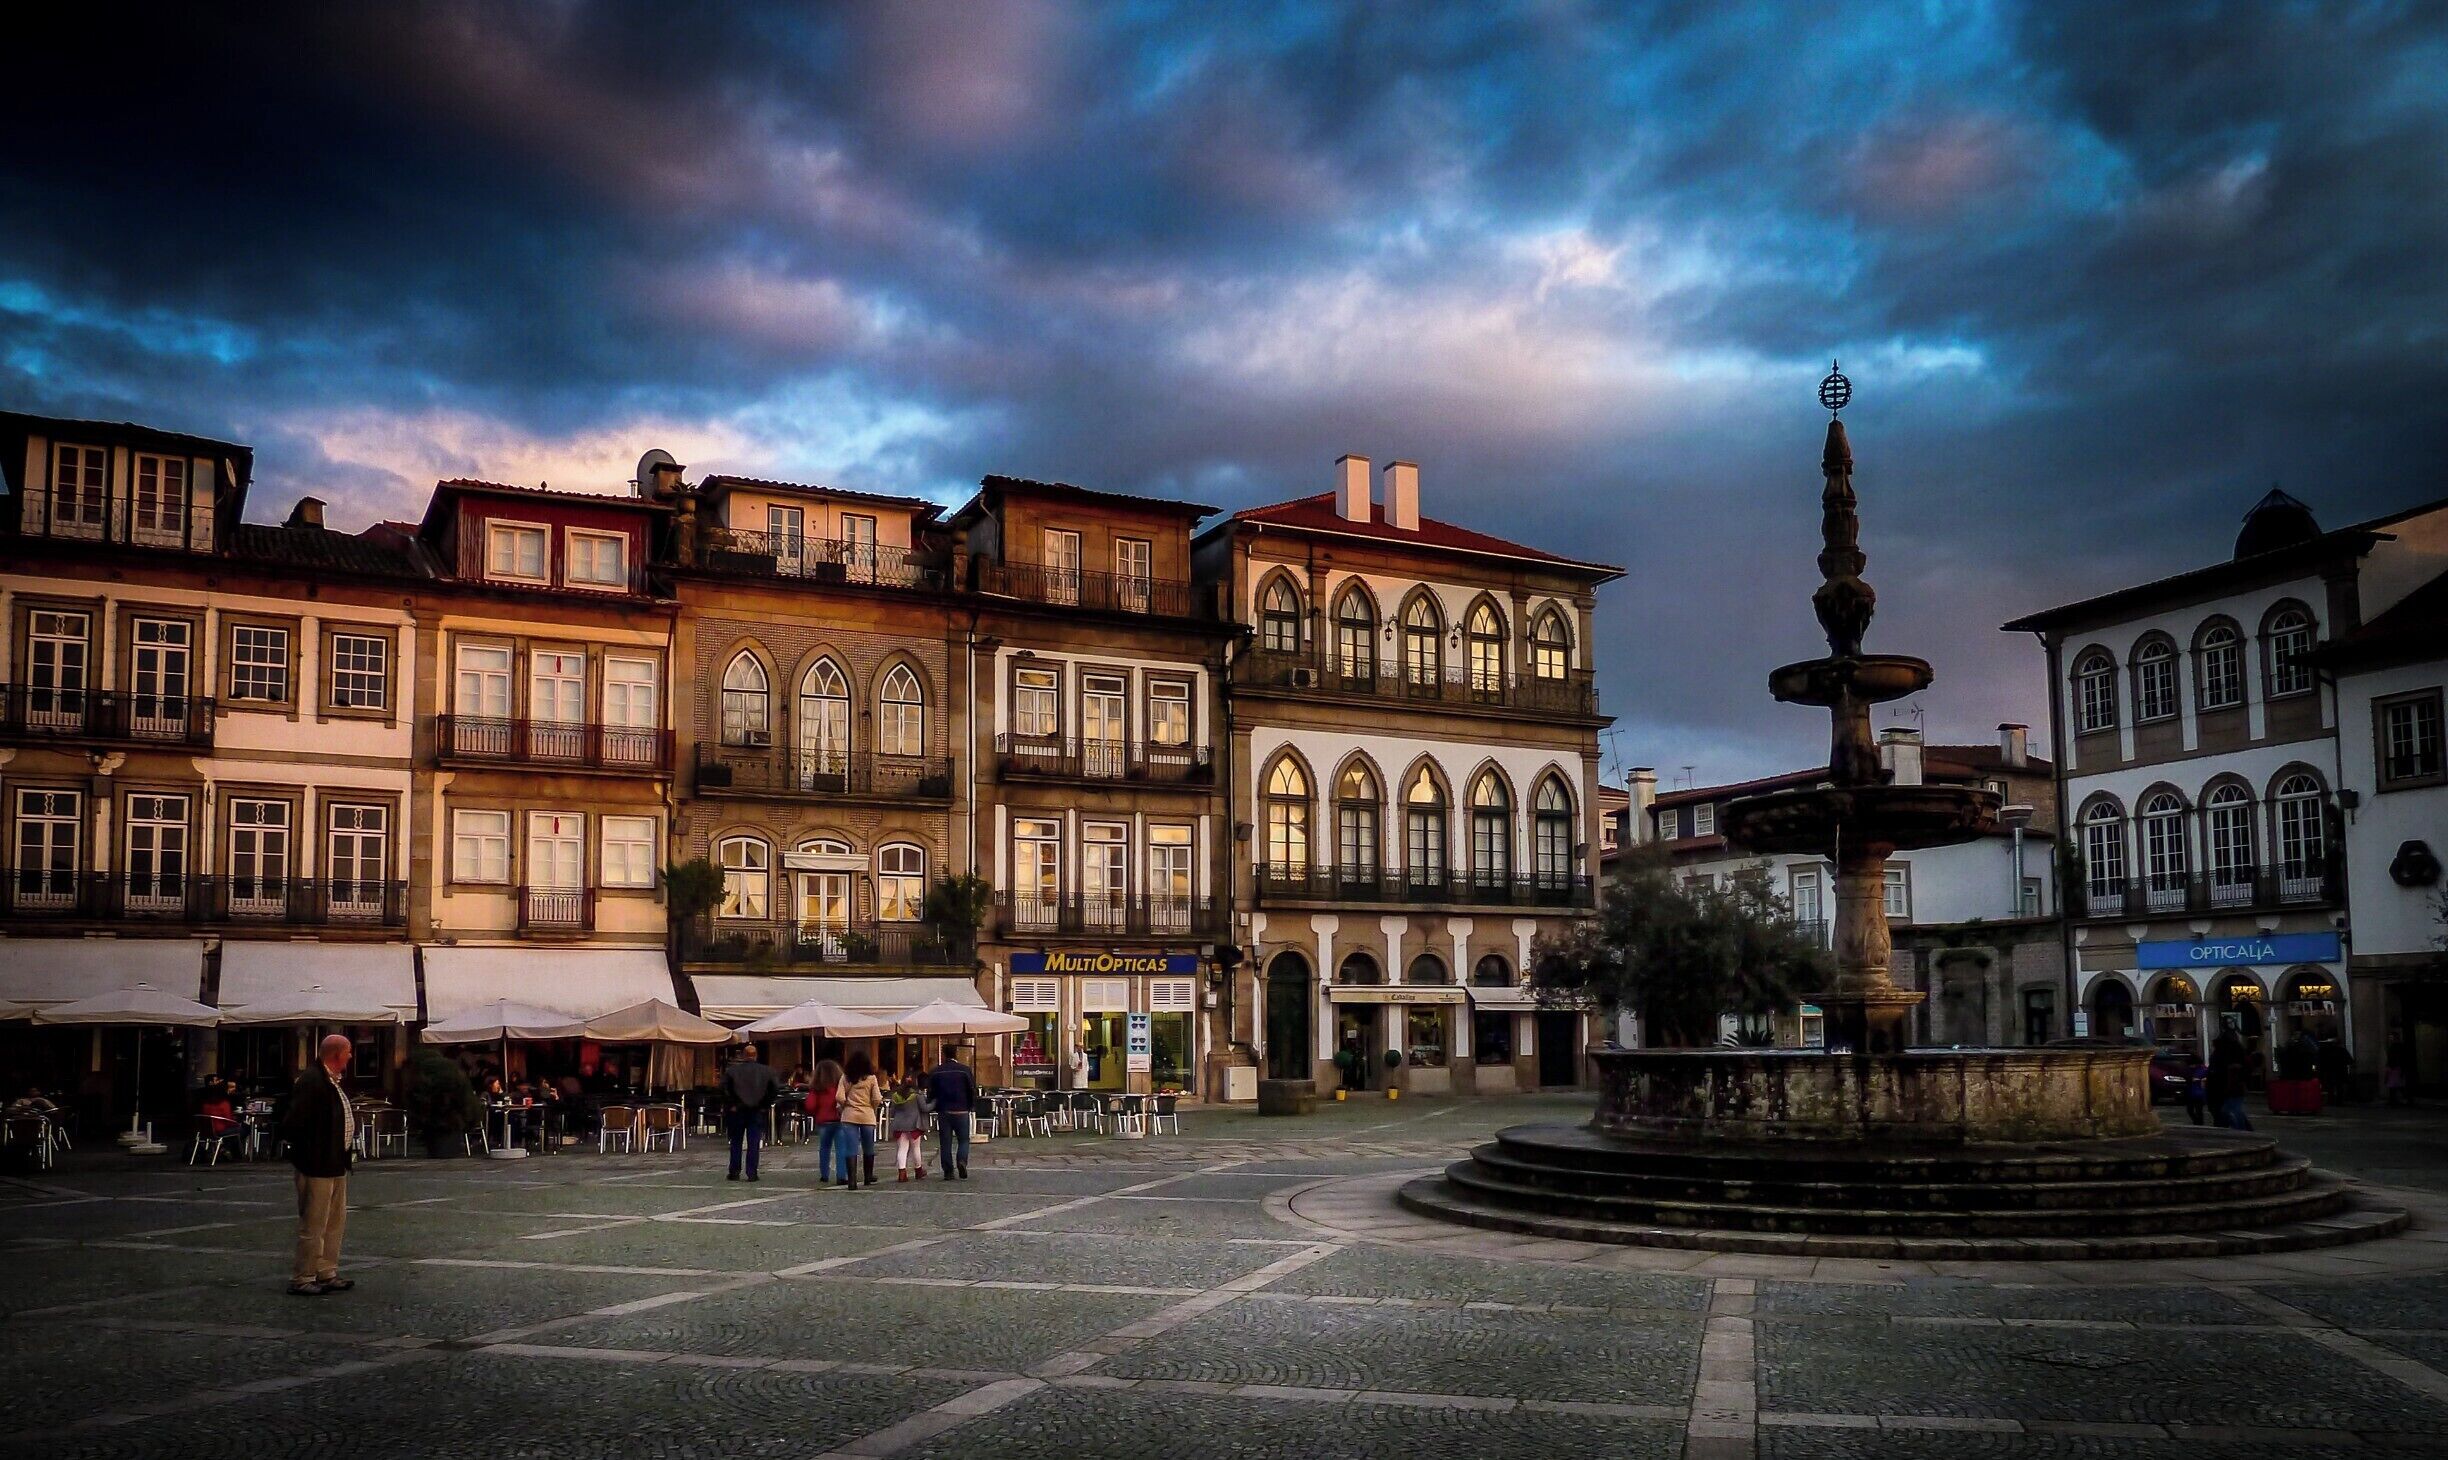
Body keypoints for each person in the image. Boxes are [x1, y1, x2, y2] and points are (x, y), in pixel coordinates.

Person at [278, 1034, 355, 1297]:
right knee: (313, 1224)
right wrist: (311, 1151)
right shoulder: (313, 1082)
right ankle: (303, 1276)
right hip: (317, 1164)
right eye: (348, 1052)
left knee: (334, 1222)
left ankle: (326, 1271)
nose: (350, 1057)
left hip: (335, 1163)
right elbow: (294, 1122)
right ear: (336, 1055)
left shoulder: (331, 1082)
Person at [721, 1043, 779, 1182]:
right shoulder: (767, 1071)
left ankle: (734, 1171)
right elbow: (774, 1089)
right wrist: (765, 1105)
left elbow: (723, 1089)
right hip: (757, 1110)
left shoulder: (732, 1071)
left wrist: (732, 1104)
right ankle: (752, 1172)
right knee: (754, 1142)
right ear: (756, 1055)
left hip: (737, 1110)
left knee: (736, 1141)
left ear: (743, 1055)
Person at [924, 1046, 980, 1181]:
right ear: (956, 1054)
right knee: (964, 1140)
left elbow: (931, 1092)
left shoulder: (936, 1072)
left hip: (944, 1110)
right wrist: (971, 1106)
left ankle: (948, 1171)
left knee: (945, 1142)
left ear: (943, 1055)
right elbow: (972, 1089)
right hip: (962, 1110)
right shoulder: (965, 1070)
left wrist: (932, 1103)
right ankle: (961, 1160)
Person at [837, 1051, 882, 1190]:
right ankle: (868, 1177)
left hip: (849, 1115)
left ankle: (852, 1181)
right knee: (868, 1147)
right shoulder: (871, 1078)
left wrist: (845, 1106)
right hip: (867, 1115)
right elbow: (876, 1098)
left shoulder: (845, 1077)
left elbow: (839, 1097)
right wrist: (872, 1108)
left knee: (851, 1148)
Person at [806, 1057, 846, 1186]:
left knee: (824, 1148)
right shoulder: (841, 1087)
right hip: (839, 1120)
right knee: (841, 1149)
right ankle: (841, 1175)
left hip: (823, 1121)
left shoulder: (817, 1089)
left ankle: (824, 1174)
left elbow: (810, 1105)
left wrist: (816, 1112)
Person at [2208, 1027, 2255, 1131]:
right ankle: (2242, 1130)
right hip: (2229, 1087)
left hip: (2226, 1087)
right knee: (2230, 1110)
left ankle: (2240, 1130)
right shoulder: (2236, 1052)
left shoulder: (2222, 1053)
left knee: (2229, 1110)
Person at [888, 1079, 933, 1181]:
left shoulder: (895, 1095)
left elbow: (892, 1112)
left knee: (902, 1149)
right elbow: (925, 1108)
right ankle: (918, 1171)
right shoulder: (917, 1095)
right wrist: (935, 1103)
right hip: (914, 1125)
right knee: (915, 1148)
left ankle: (902, 1173)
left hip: (899, 1125)